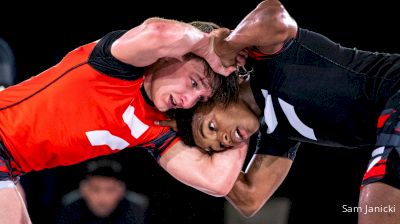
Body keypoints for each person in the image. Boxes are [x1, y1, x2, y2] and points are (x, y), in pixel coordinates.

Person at [161, 0, 400, 223]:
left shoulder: (268, 62)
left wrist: (227, 45)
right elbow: (249, 199)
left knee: (376, 209)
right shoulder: (277, 134)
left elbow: (274, 14)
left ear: (215, 94)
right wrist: (163, 143)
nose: (222, 140)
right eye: (216, 148)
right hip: (390, 125)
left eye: (212, 127)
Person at [0, 18, 248, 224]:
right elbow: (158, 31)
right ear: (174, 55)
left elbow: (216, 181)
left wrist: (245, 112)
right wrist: (208, 45)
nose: (189, 101)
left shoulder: (155, 128)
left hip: (10, 166)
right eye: (193, 83)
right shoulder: (117, 65)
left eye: (200, 98)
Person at [57, 159, 149, 224]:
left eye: (110, 190)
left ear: (121, 190)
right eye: (95, 190)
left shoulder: (136, 208)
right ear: (84, 189)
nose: (102, 199)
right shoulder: (70, 206)